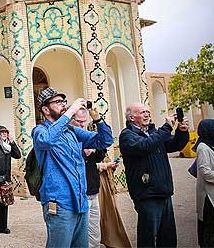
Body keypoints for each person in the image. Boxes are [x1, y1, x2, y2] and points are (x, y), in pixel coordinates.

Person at [32, 87, 113, 248]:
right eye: (57, 102)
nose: (63, 105)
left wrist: (97, 119)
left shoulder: (71, 131)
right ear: (45, 109)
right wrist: (71, 111)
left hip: (80, 201)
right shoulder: (40, 130)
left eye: (64, 101)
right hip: (59, 203)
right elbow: (47, 140)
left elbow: (104, 141)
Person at [119, 103, 189, 248]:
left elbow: (174, 145)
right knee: (148, 238)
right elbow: (145, 146)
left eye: (148, 111)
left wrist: (181, 132)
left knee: (168, 237)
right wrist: (166, 128)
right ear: (132, 117)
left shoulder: (154, 132)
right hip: (147, 194)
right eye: (143, 112)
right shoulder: (127, 136)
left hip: (164, 191)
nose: (147, 114)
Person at [70, 109, 118, 248]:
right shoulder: (67, 137)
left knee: (94, 231)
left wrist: (95, 149)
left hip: (93, 190)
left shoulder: (86, 136)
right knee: (80, 232)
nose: (82, 125)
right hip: (79, 194)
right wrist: (82, 153)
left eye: (84, 122)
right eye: (79, 122)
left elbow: (101, 151)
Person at [196, 118, 214, 247]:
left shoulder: (212, 144)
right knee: (209, 228)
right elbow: (206, 172)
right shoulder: (203, 147)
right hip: (208, 195)